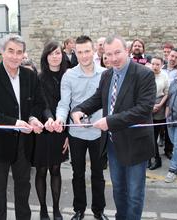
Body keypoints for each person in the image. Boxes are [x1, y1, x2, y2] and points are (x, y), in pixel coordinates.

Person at [71, 35, 156, 220]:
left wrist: (110, 122)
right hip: (113, 144)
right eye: (108, 54)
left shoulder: (144, 74)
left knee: (134, 194)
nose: (113, 58)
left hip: (135, 145)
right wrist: (79, 109)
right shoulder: (107, 74)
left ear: (127, 50)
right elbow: (97, 98)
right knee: (118, 190)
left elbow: (144, 109)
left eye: (117, 52)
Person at [0, 34, 44, 220]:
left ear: (24, 54)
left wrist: (32, 118)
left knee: (23, 187)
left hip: (24, 143)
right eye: (11, 51)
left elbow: (39, 103)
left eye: (19, 52)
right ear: (2, 52)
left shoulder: (30, 75)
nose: (15, 56)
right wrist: (15, 123)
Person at [52, 35, 107, 220]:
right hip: (76, 134)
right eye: (80, 52)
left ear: (94, 51)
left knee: (98, 174)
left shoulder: (105, 74)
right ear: (75, 52)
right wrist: (60, 119)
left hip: (99, 133)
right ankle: (79, 209)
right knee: (78, 174)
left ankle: (99, 211)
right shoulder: (69, 75)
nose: (84, 56)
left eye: (87, 51)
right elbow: (64, 103)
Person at [34, 41, 69, 220]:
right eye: (51, 53)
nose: (55, 56)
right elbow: (42, 103)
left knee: (56, 169)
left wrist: (67, 134)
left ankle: (56, 209)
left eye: (58, 53)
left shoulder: (68, 76)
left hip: (61, 129)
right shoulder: (39, 77)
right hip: (43, 128)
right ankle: (42, 209)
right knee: (41, 170)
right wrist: (49, 118)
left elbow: (71, 105)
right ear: (45, 56)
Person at [148, 56, 169, 170]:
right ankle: (148, 158)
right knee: (148, 135)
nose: (155, 67)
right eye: (153, 64)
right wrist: (149, 106)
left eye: (157, 64)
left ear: (162, 65)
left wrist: (160, 105)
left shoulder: (165, 76)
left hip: (159, 105)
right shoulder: (146, 74)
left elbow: (166, 92)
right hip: (148, 105)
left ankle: (157, 159)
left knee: (154, 135)